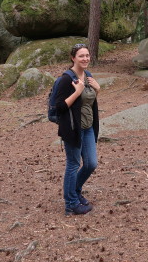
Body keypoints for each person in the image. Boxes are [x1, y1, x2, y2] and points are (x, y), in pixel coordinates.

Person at [55, 43, 101, 216]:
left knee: (91, 164)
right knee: (73, 164)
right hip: (73, 129)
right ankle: (71, 203)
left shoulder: (88, 75)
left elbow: (89, 102)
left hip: (88, 127)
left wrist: (98, 89)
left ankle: (74, 191)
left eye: (87, 55)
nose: (85, 59)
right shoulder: (67, 79)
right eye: (81, 56)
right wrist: (77, 91)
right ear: (73, 58)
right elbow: (59, 107)